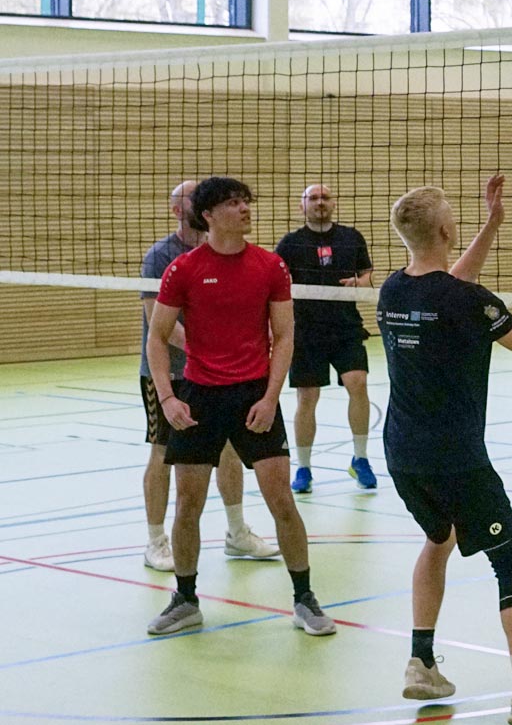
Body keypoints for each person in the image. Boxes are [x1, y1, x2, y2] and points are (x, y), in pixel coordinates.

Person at [378, 175, 512, 725]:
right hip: (456, 458)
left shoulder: (395, 290)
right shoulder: (469, 302)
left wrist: (493, 223)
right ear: (446, 231)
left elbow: (449, 287)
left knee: (439, 538)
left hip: (402, 453)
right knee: (510, 560)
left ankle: (421, 662)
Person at [145, 177, 335, 637]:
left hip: (254, 396)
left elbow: (284, 336)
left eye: (246, 201)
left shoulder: (270, 266)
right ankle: (186, 599)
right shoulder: (183, 269)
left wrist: (270, 398)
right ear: (208, 215)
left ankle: (304, 598)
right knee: (188, 505)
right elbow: (157, 335)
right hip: (199, 397)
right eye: (234, 203)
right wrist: (168, 398)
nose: (245, 209)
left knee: (282, 501)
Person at [140, 181, 278, 571]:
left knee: (229, 449)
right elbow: (159, 324)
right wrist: (208, 352)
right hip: (170, 373)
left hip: (216, 375)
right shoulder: (162, 257)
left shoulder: (232, 253)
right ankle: (156, 540)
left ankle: (236, 532)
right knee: (162, 452)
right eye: (190, 196)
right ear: (183, 210)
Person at [274, 184, 376, 493]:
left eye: (325, 198)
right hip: (306, 331)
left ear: (334, 203)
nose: (320, 202)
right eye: (314, 198)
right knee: (307, 398)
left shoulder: (351, 237)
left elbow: (367, 274)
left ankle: (360, 459)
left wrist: (360, 282)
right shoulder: (291, 243)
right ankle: (303, 467)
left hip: (346, 327)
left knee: (358, 383)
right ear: (302, 205)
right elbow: (277, 283)